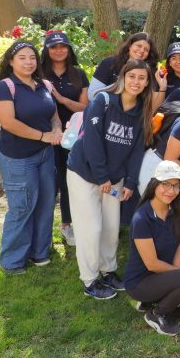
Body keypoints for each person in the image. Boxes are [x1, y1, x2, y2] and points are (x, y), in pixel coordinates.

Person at [66, 59, 155, 299]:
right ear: (123, 77)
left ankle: (108, 271)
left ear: (147, 83)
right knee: (90, 228)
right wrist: (102, 176)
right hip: (85, 173)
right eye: (132, 76)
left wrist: (129, 182)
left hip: (113, 178)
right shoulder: (102, 102)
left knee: (110, 228)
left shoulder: (141, 112)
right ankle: (90, 279)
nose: (136, 82)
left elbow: (137, 151)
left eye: (142, 78)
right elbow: (93, 142)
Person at [0, 41, 63, 274]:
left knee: (45, 203)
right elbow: (9, 123)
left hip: (45, 155)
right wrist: (43, 136)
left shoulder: (43, 85)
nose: (28, 62)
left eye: (32, 57)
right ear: (11, 61)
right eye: (22, 57)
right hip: (17, 157)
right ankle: (12, 260)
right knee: (22, 207)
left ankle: (39, 252)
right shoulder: (4, 87)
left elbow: (53, 114)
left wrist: (57, 129)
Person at [124, 160, 180, 337]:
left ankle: (157, 301)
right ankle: (157, 314)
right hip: (141, 282)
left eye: (176, 186)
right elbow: (152, 264)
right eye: (165, 184)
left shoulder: (176, 210)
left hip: (164, 276)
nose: (171, 191)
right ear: (154, 183)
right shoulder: (141, 219)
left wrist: (178, 276)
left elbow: (178, 245)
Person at [40, 31, 89, 247]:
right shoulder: (39, 73)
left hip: (73, 135)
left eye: (63, 46)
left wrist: (60, 99)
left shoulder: (78, 74)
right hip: (45, 135)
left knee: (68, 180)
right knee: (47, 183)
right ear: (47, 50)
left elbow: (85, 107)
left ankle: (67, 224)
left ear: (69, 49)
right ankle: (43, 235)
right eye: (53, 47)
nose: (59, 50)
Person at [89, 32, 166, 102]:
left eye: (146, 50)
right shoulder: (109, 63)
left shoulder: (150, 72)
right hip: (106, 109)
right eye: (139, 46)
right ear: (130, 46)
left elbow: (152, 105)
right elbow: (91, 95)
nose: (142, 50)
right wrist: (121, 83)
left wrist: (162, 87)